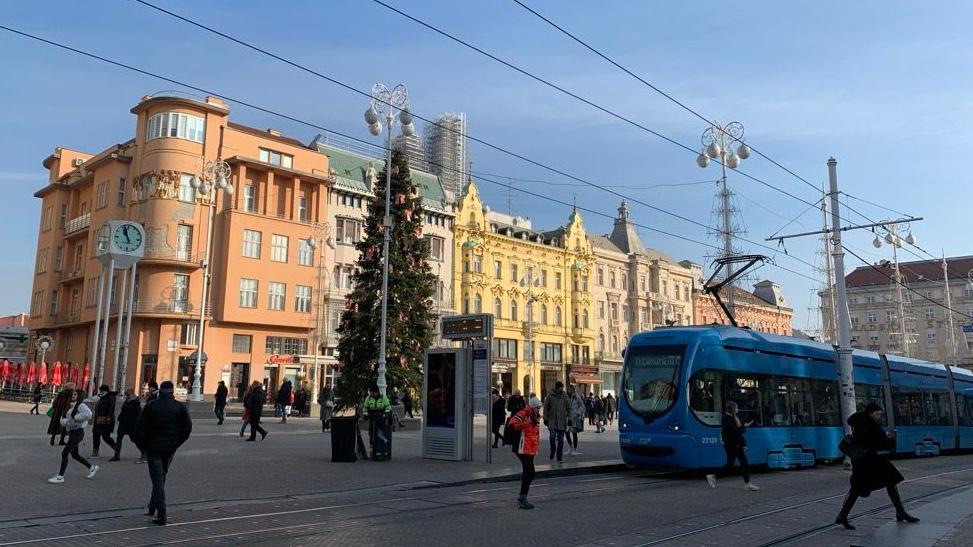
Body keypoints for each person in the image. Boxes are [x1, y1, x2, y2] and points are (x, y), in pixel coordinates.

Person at [834, 403, 918, 530]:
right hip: (866, 462)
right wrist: (889, 438)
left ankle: (900, 511)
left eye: (880, 414)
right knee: (858, 489)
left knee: (889, 482)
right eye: (877, 414)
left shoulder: (862, 422)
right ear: (870, 413)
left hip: (868, 460)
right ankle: (842, 515)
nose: (879, 416)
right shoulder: (867, 425)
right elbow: (877, 442)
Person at [133, 381, 192, 526]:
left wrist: (144, 447)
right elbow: (187, 428)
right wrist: (176, 443)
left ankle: (162, 514)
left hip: (153, 448)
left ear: (160, 391)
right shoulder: (179, 407)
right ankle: (153, 507)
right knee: (161, 477)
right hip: (169, 448)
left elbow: (139, 429)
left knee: (157, 480)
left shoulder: (151, 406)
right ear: (172, 392)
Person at [48, 389, 99, 484]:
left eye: (75, 394)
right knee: (75, 455)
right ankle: (92, 467)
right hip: (72, 432)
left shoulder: (81, 405)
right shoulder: (70, 406)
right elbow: (65, 418)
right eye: (72, 394)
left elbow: (88, 414)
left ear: (79, 396)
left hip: (78, 432)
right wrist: (64, 422)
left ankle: (60, 476)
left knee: (65, 453)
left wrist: (75, 418)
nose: (73, 396)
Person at [706, 401, 760, 491]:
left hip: (736, 445)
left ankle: (747, 483)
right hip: (731, 445)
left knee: (739, 464)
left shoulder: (734, 418)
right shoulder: (726, 419)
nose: (738, 409)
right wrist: (744, 427)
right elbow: (736, 433)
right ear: (732, 409)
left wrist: (743, 444)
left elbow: (738, 433)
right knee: (734, 465)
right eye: (736, 408)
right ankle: (713, 476)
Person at [508, 395, 542, 510]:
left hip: (529, 447)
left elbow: (535, 433)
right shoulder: (524, 413)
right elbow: (513, 424)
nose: (539, 410)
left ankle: (523, 496)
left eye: (539, 408)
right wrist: (525, 423)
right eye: (537, 408)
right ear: (532, 407)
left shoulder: (535, 416)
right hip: (521, 447)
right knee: (529, 471)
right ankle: (523, 497)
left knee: (529, 472)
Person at [543, 381, 571, 464]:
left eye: (562, 388)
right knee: (552, 437)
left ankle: (559, 457)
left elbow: (569, 408)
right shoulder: (550, 396)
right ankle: (553, 450)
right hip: (552, 421)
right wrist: (545, 418)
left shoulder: (565, 397)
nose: (561, 389)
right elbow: (546, 407)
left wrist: (570, 419)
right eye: (560, 388)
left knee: (561, 440)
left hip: (562, 422)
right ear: (556, 388)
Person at [111, 388, 141, 461]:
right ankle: (116, 455)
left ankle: (144, 452)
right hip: (123, 422)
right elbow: (123, 410)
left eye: (127, 395)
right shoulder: (127, 401)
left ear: (131, 394)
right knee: (119, 438)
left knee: (134, 439)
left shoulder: (136, 402)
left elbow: (138, 413)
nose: (126, 396)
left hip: (131, 423)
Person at [362, 385, 391, 459]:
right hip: (372, 418)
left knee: (380, 434)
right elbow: (365, 408)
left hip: (381, 419)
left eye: (372, 393)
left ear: (377, 392)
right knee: (372, 434)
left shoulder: (383, 398)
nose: (371, 394)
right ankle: (372, 451)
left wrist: (385, 414)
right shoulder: (368, 399)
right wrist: (365, 415)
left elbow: (388, 407)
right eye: (370, 392)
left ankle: (381, 450)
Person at [91, 384, 118, 457]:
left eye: (102, 390)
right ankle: (95, 452)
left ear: (105, 391)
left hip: (105, 421)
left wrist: (108, 418)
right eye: (100, 390)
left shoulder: (110, 398)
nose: (100, 391)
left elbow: (111, 409)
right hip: (98, 420)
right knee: (95, 435)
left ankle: (116, 448)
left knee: (106, 437)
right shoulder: (101, 397)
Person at [137, 381, 159, 464]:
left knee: (145, 439)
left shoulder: (156, 395)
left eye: (150, 387)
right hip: (149, 419)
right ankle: (146, 455)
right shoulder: (152, 395)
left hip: (151, 420)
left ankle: (145, 456)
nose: (149, 388)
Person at [567, 385, 586, 456]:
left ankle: (574, 449)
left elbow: (582, 406)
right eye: (568, 389)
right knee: (567, 432)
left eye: (570, 389)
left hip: (575, 417)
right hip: (568, 417)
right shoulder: (567, 397)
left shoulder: (577, 397)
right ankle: (570, 447)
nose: (569, 390)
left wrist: (578, 413)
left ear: (573, 390)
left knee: (574, 433)